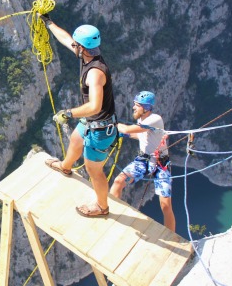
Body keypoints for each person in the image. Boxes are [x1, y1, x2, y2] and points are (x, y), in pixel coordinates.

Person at [40, 15, 117, 217]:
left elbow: (94, 105)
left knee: (94, 170)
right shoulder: (87, 55)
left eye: (77, 44)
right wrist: (49, 22)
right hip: (93, 123)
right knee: (75, 139)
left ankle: (102, 207)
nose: (73, 46)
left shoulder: (95, 73)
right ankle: (65, 167)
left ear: (82, 47)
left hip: (101, 130)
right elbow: (65, 39)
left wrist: (68, 113)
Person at [110, 91, 175, 231]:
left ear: (146, 108)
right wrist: (124, 134)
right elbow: (143, 136)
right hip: (144, 160)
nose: (133, 107)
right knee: (118, 181)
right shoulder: (143, 120)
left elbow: (127, 128)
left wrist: (111, 122)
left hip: (160, 164)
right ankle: (112, 214)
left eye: (137, 105)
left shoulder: (155, 119)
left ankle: (172, 236)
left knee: (165, 204)